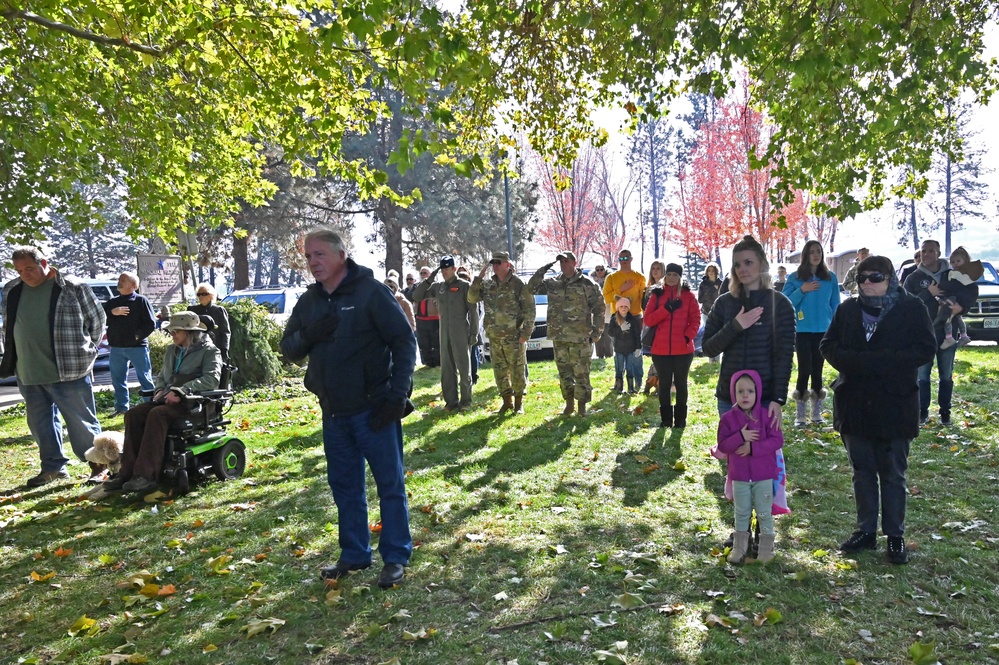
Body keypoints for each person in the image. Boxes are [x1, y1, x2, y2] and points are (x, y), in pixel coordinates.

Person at [280, 229, 416, 589]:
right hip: (334, 413)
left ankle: (396, 556)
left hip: (375, 410)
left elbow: (404, 341)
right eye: (308, 256)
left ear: (341, 254)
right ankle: (354, 553)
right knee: (344, 486)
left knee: (390, 484)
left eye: (319, 254)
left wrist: (397, 396)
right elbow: (289, 349)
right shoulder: (309, 302)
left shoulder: (371, 292)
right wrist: (310, 335)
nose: (312, 262)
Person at [821, 255, 936, 564]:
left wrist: (883, 362)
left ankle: (895, 535)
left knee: (893, 473)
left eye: (875, 278)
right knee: (862, 471)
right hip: (855, 403)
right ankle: (866, 531)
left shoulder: (911, 308)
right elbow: (828, 345)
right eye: (862, 279)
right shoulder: (847, 310)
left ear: (890, 278)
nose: (868, 284)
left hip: (894, 403)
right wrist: (855, 363)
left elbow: (926, 347)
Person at [1, 246, 107, 487]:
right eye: (19, 270)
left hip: (70, 368)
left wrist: (86, 350)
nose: (24, 275)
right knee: (40, 423)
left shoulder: (72, 287)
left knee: (82, 422)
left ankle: (99, 466)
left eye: (29, 268)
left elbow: (98, 321)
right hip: (27, 370)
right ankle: (53, 468)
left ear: (44, 263)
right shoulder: (11, 289)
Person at [102, 312, 222, 494]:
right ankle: (126, 473)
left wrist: (182, 390)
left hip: (194, 404)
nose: (172, 335)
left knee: (157, 415)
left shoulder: (210, 351)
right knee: (133, 414)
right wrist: (159, 389)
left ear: (190, 333)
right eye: (171, 332)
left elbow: (211, 379)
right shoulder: (172, 350)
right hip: (168, 399)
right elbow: (162, 377)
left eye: (176, 332)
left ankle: (146, 475)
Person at [702, 235, 796, 422]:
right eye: (737, 265)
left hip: (765, 398)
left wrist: (778, 399)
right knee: (733, 450)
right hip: (730, 398)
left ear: (761, 265)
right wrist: (735, 326)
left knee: (764, 451)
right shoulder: (724, 302)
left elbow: (784, 357)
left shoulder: (780, 304)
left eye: (748, 262)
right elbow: (708, 348)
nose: (742, 269)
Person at [715, 370, 784, 563]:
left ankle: (765, 550)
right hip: (740, 476)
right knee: (742, 511)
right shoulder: (728, 419)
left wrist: (753, 447)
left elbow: (777, 441)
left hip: (764, 475)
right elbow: (723, 445)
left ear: (758, 393)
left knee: (764, 512)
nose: (745, 396)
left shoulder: (767, 416)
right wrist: (741, 437)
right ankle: (739, 548)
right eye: (741, 391)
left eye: (750, 391)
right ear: (733, 394)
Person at [529, 251, 605, 416]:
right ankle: (569, 405)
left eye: (566, 261)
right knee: (564, 374)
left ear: (574, 262)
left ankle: (582, 408)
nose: (563, 264)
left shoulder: (588, 284)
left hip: (580, 337)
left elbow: (599, 308)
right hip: (559, 336)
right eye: (561, 262)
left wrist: (597, 331)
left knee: (581, 374)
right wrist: (545, 267)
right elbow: (531, 287)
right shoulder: (552, 283)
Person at [468, 251, 536, 413]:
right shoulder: (488, 284)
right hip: (495, 336)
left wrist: (525, 335)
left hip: (514, 337)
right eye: (493, 263)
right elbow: (471, 298)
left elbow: (529, 310)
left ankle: (518, 403)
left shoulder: (519, 284)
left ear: (508, 264)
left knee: (517, 370)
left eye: (499, 262)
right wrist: (479, 277)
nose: (495, 266)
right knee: (499, 371)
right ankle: (507, 401)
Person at [782, 240, 841, 426]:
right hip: (802, 331)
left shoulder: (830, 278)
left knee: (818, 370)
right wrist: (802, 290)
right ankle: (800, 414)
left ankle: (816, 413)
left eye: (818, 251)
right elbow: (785, 302)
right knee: (804, 370)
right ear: (805, 255)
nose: (816, 255)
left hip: (823, 331)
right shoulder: (795, 278)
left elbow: (836, 305)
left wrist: (836, 328)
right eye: (811, 252)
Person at [902, 239, 959, 424]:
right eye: (923, 251)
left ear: (939, 253)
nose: (927, 254)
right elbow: (905, 304)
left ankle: (945, 413)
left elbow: (965, 296)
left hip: (947, 332)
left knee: (946, 375)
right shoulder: (913, 277)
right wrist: (929, 293)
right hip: (922, 333)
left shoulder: (951, 275)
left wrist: (958, 307)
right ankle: (922, 412)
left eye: (931, 251)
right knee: (923, 375)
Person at [413, 255, 477, 411]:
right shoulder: (437, 286)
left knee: (463, 367)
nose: (444, 272)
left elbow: (473, 311)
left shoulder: (464, 286)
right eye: (442, 270)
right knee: (447, 369)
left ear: (454, 269)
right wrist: (430, 278)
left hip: (460, 330)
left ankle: (466, 401)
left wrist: (473, 333)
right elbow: (417, 296)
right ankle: (451, 401)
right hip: (444, 331)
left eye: (447, 269)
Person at [643, 263, 700, 428]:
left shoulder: (688, 296)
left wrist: (688, 336)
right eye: (669, 275)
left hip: (683, 348)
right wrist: (666, 309)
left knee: (681, 384)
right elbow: (648, 320)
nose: (671, 278)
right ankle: (666, 420)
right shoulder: (657, 294)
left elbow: (696, 319)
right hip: (660, 350)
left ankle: (680, 420)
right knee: (665, 384)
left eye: (675, 275)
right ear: (664, 276)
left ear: (680, 277)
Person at [103, 272, 157, 418]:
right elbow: (100, 319)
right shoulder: (112, 303)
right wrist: (112, 313)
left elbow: (150, 323)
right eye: (119, 279)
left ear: (133, 286)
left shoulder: (141, 301)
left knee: (145, 378)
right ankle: (121, 408)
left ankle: (150, 406)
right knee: (117, 380)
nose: (119, 282)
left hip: (137, 348)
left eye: (123, 280)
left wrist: (137, 336)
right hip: (117, 348)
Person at [936, 246, 981, 349]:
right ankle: (964, 335)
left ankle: (949, 337)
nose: (955, 264)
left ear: (965, 261)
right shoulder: (954, 273)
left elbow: (954, 286)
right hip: (954, 299)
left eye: (958, 261)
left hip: (954, 299)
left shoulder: (964, 276)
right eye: (952, 262)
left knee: (947, 316)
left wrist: (941, 286)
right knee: (957, 317)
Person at [607, 296, 642, 394]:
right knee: (619, 368)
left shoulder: (633, 319)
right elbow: (610, 332)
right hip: (619, 349)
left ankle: (631, 388)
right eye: (621, 306)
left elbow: (637, 335)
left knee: (630, 368)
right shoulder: (614, 318)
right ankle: (619, 387)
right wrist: (620, 328)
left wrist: (638, 347)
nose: (623, 308)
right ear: (618, 307)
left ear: (629, 308)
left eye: (626, 306)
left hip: (631, 349)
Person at [188, 282, 231, 362]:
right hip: (196, 350)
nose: (200, 296)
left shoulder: (219, 310)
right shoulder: (192, 310)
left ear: (211, 295)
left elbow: (225, 332)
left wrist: (224, 350)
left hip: (215, 348)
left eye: (204, 294)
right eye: (198, 294)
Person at [412, 266, 440, 368]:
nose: (423, 275)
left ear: (430, 274)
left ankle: (437, 363)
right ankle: (428, 363)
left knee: (436, 343)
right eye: (421, 273)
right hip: (420, 319)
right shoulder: (417, 287)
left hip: (434, 319)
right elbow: (411, 296)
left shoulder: (436, 286)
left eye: (425, 273)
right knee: (424, 344)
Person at [591, 264, 614, 358]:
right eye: (597, 270)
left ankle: (609, 355)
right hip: (596, 312)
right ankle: (599, 355)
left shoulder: (610, 279)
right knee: (598, 335)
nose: (599, 271)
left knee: (608, 336)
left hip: (607, 311)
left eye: (601, 269)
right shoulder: (591, 281)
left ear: (605, 270)